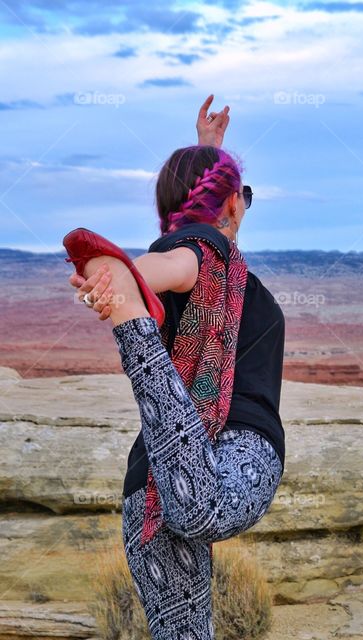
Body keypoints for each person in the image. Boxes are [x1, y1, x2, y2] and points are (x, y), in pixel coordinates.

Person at [64, 95, 285, 640]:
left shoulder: (207, 259)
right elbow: (172, 261)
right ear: (233, 204)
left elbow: (177, 244)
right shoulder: (205, 255)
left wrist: (207, 151)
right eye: (244, 197)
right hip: (230, 456)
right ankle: (129, 322)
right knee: (199, 512)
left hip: (152, 486)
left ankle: (130, 321)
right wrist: (121, 279)